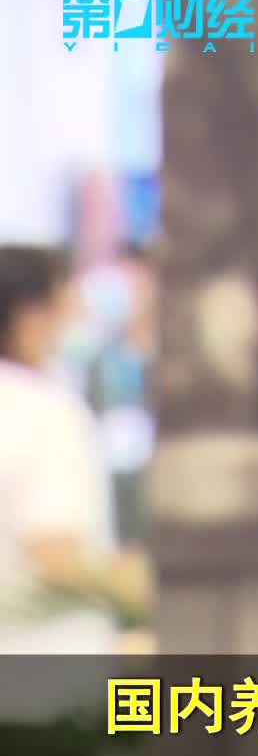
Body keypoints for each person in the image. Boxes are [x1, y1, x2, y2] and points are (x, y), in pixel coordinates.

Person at [0, 245, 149, 657]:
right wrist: (138, 586)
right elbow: (53, 550)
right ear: (30, 317)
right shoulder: (44, 410)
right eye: (67, 304)